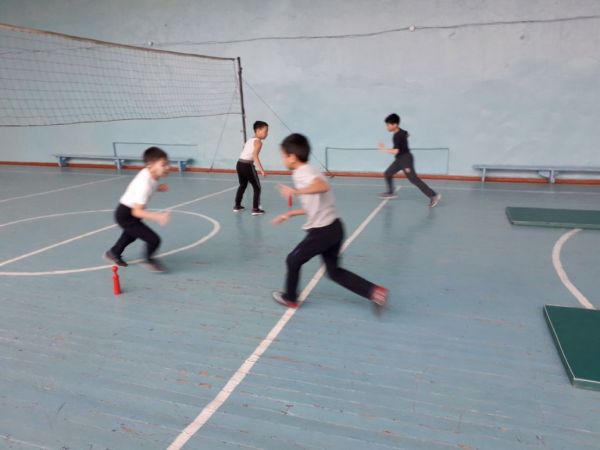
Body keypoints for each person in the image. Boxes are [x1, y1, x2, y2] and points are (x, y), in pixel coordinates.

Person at [271, 133, 388, 309]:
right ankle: (375, 292)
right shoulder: (312, 170)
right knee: (334, 272)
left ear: (292, 157)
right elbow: (314, 205)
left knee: (293, 260)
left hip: (322, 233)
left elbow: (323, 186)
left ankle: (290, 298)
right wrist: (290, 214)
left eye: (283, 155)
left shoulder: (301, 173)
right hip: (335, 228)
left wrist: (295, 192)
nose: (282, 159)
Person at [104, 146, 170, 272]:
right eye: (163, 164)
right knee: (154, 240)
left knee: (131, 235)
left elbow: (150, 184)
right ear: (150, 165)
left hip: (127, 212)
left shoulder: (150, 173)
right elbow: (137, 211)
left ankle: (113, 253)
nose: (167, 167)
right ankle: (147, 260)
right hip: (126, 215)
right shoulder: (144, 184)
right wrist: (158, 216)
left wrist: (158, 187)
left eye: (167, 163)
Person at [378, 113, 441, 207]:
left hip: (405, 159)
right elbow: (407, 133)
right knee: (387, 173)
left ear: (395, 125)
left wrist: (384, 149)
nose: (387, 127)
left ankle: (433, 195)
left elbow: (395, 151)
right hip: (399, 159)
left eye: (388, 125)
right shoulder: (401, 132)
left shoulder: (397, 135)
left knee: (413, 179)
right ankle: (391, 192)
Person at [233, 120, 268, 215]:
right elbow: (255, 156)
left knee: (242, 185)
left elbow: (244, 150)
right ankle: (255, 209)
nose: (266, 134)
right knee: (257, 187)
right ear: (258, 130)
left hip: (239, 164)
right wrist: (262, 170)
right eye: (265, 131)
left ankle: (237, 206)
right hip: (247, 165)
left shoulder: (249, 140)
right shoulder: (258, 142)